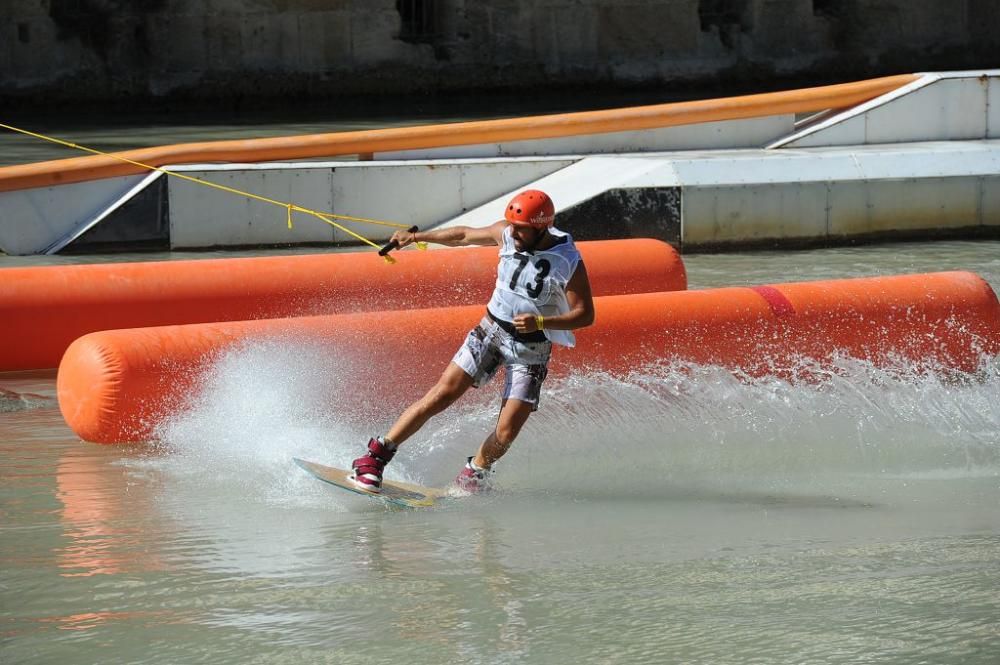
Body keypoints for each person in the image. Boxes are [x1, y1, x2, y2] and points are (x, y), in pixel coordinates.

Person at [350, 189, 595, 493]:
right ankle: (374, 457)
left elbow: (585, 314)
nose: (513, 234)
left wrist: (542, 322)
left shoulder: (567, 260)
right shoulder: (506, 233)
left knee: (506, 433)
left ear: (542, 227)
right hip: (490, 332)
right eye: (512, 227)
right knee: (442, 394)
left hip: (531, 350)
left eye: (522, 230)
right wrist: (415, 238)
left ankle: (475, 472)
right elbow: (463, 235)